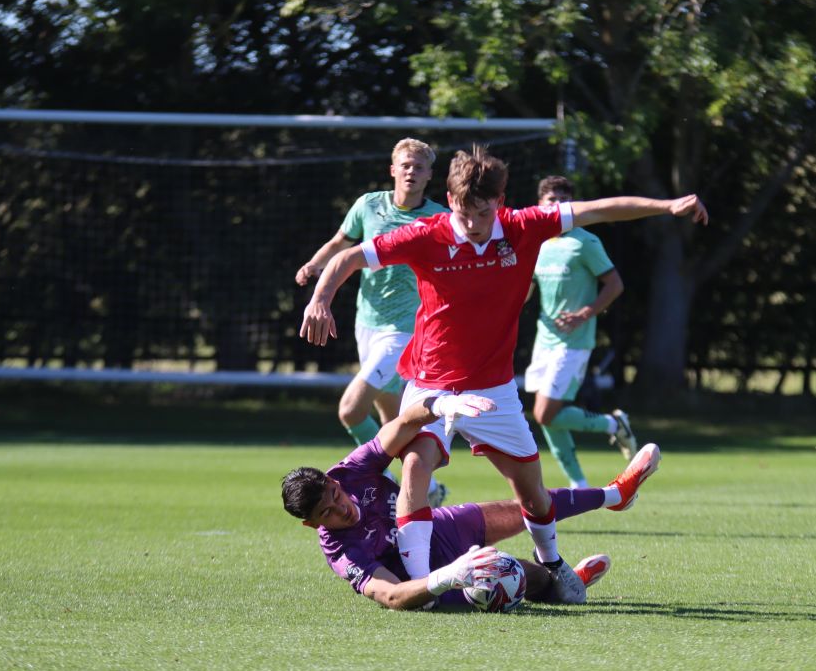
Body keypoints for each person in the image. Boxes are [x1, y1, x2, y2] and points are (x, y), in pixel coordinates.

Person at [299, 144, 706, 603]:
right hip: (431, 381)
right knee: (415, 466)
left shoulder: (522, 226)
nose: (475, 223)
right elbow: (348, 257)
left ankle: (552, 562)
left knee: (530, 494)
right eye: (466, 212)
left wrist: (668, 205)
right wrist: (321, 298)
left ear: (501, 200)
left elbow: (600, 210)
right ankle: (426, 584)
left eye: (485, 211)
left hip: (494, 388)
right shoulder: (424, 234)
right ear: (450, 200)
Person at [281, 392, 662, 611]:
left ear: (333, 481)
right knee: (513, 575)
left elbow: (399, 426)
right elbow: (392, 596)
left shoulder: (349, 472)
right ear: (312, 525)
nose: (340, 508)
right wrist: (449, 576)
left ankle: (615, 494)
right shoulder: (340, 551)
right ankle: (562, 583)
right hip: (428, 577)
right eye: (326, 514)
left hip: (437, 526)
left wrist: (440, 405)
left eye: (335, 496)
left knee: (525, 507)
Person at [295, 137, 450, 505]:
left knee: (351, 409)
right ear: (393, 170)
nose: (411, 171)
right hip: (367, 323)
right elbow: (340, 243)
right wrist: (316, 265)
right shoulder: (368, 205)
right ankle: (426, 490)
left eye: (419, 166)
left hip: (406, 330)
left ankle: (385, 484)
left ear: (429, 175)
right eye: (406, 165)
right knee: (392, 419)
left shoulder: (439, 218)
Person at [524, 174, 636, 489]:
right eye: (551, 200)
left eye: (563, 200)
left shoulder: (585, 242)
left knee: (545, 413)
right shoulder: (537, 244)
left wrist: (585, 313)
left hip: (574, 343)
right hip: (543, 341)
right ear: (539, 205)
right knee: (547, 416)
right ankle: (579, 485)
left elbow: (615, 285)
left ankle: (612, 423)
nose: (557, 205)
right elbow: (526, 291)